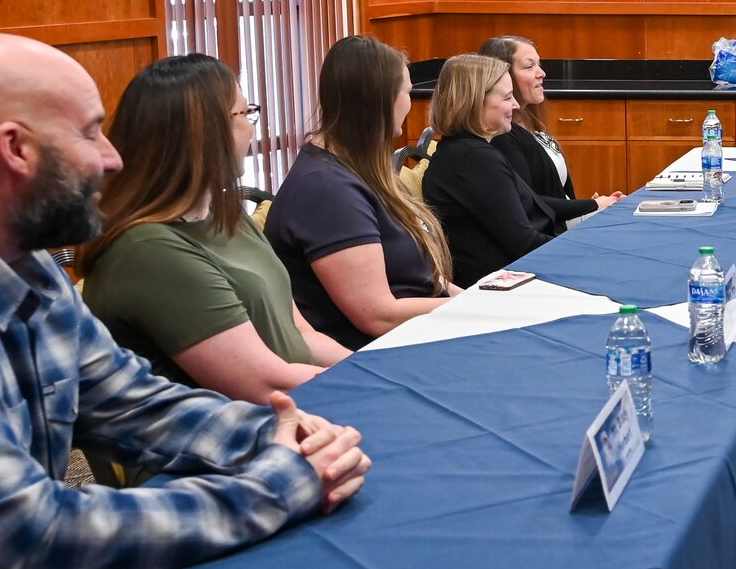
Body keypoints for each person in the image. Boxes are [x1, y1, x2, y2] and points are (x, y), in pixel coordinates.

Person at [0, 34, 367, 569]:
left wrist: (280, 435)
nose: (112, 158)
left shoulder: (25, 261)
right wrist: (276, 486)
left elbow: (135, 404)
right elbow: (23, 539)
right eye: (90, 132)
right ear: (15, 149)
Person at [81, 55, 351, 400]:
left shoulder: (226, 213)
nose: (252, 127)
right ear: (203, 132)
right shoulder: (147, 250)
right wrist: (375, 387)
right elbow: (266, 383)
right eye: (243, 113)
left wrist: (375, 370)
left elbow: (300, 333)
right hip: (251, 431)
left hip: (308, 403)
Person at [267, 36, 458, 350]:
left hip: (418, 335)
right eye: (407, 93)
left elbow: (425, 279)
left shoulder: (360, 167)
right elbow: (377, 315)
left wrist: (482, 299)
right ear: (381, 101)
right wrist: (476, 310)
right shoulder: (327, 190)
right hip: (378, 354)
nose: (410, 104)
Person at [422, 53, 563, 287]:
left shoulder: (466, 150)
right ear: (475, 102)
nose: (516, 105)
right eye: (508, 97)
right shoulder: (475, 159)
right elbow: (524, 243)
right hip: (499, 287)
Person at [477, 35, 624, 219]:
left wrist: (588, 206)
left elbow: (557, 193)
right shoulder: (503, 136)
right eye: (529, 66)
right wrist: (593, 205)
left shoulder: (530, 122)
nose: (541, 73)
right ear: (502, 76)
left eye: (539, 64)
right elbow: (529, 204)